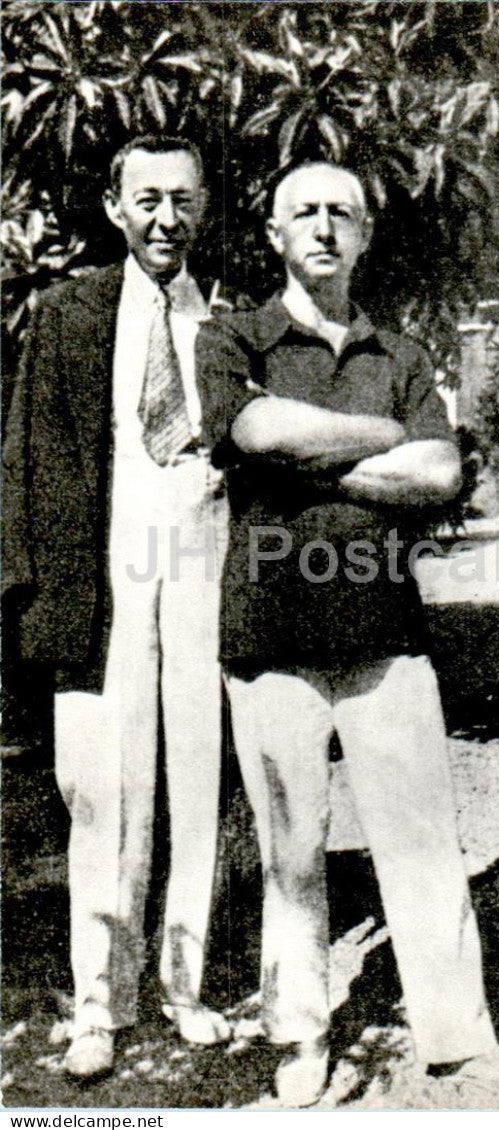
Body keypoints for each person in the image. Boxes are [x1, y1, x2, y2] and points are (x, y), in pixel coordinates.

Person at [197, 161, 499, 1107]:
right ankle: (301, 1036)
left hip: (385, 629)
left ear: (363, 235)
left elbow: (441, 474)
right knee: (291, 850)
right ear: (273, 233)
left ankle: (458, 1036)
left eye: (342, 213)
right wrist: (384, 436)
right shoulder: (232, 337)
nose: (323, 227)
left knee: (422, 837)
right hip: (270, 631)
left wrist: (319, 457)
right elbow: (257, 432)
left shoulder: (401, 352)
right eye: (304, 212)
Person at [3, 135, 232, 1079]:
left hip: (202, 554)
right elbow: (22, 459)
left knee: (195, 777)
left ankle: (184, 987)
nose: (166, 219)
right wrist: (30, 599)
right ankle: (100, 1003)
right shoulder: (68, 313)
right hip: (101, 569)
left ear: (204, 207)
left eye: (183, 200)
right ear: (114, 207)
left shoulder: (231, 318)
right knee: (101, 787)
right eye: (148, 199)